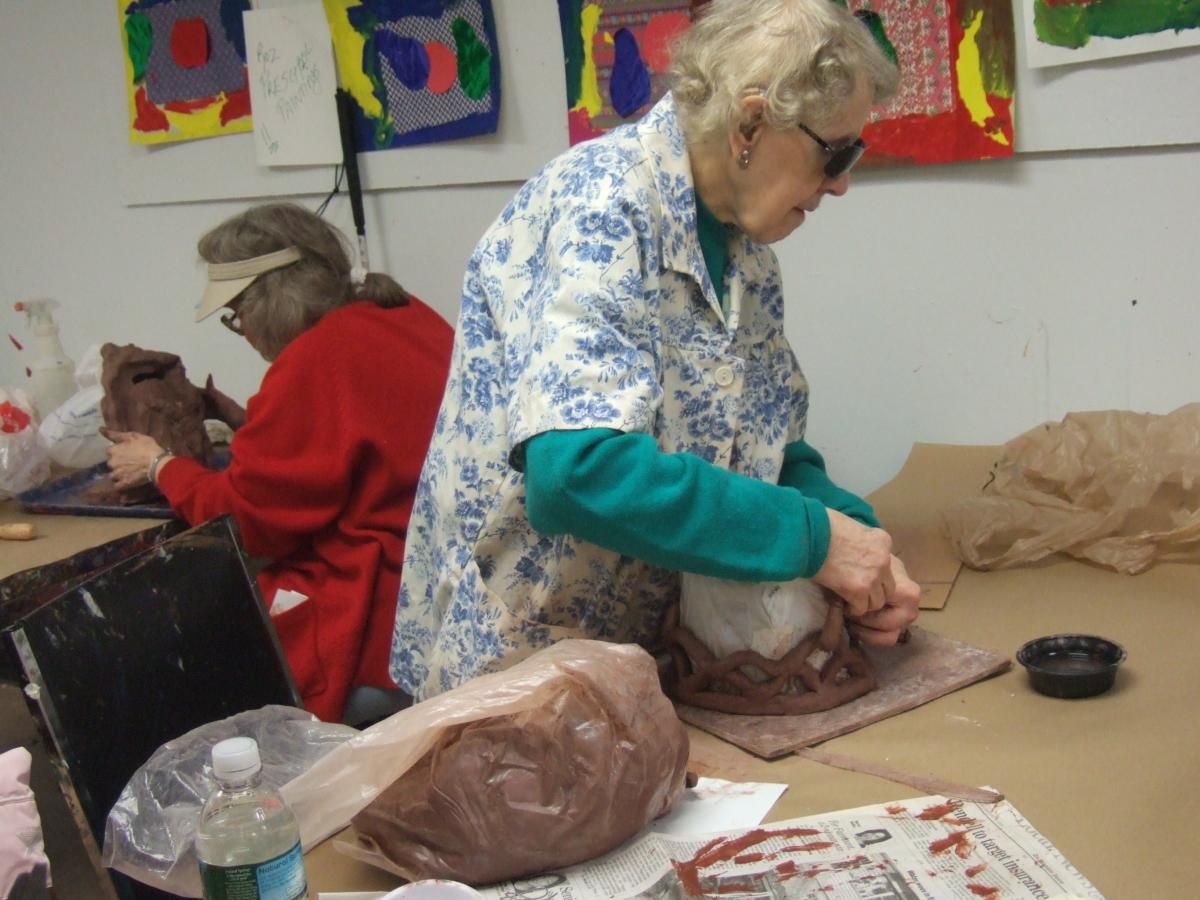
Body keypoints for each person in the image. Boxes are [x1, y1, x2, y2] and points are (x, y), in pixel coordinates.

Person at [391, 0, 921, 701]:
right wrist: (814, 539)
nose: (842, 182)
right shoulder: (600, 206)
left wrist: (861, 544)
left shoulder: (746, 253)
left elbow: (767, 451)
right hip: (520, 655)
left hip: (644, 653)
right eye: (836, 152)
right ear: (751, 123)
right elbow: (576, 472)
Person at [106, 202, 454, 723]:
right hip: (451, 600)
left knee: (184, 654)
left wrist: (161, 465)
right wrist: (258, 425)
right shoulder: (406, 313)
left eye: (236, 315)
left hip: (388, 624)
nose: (242, 331)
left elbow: (245, 523)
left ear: (269, 299)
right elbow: (361, 444)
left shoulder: (316, 359)